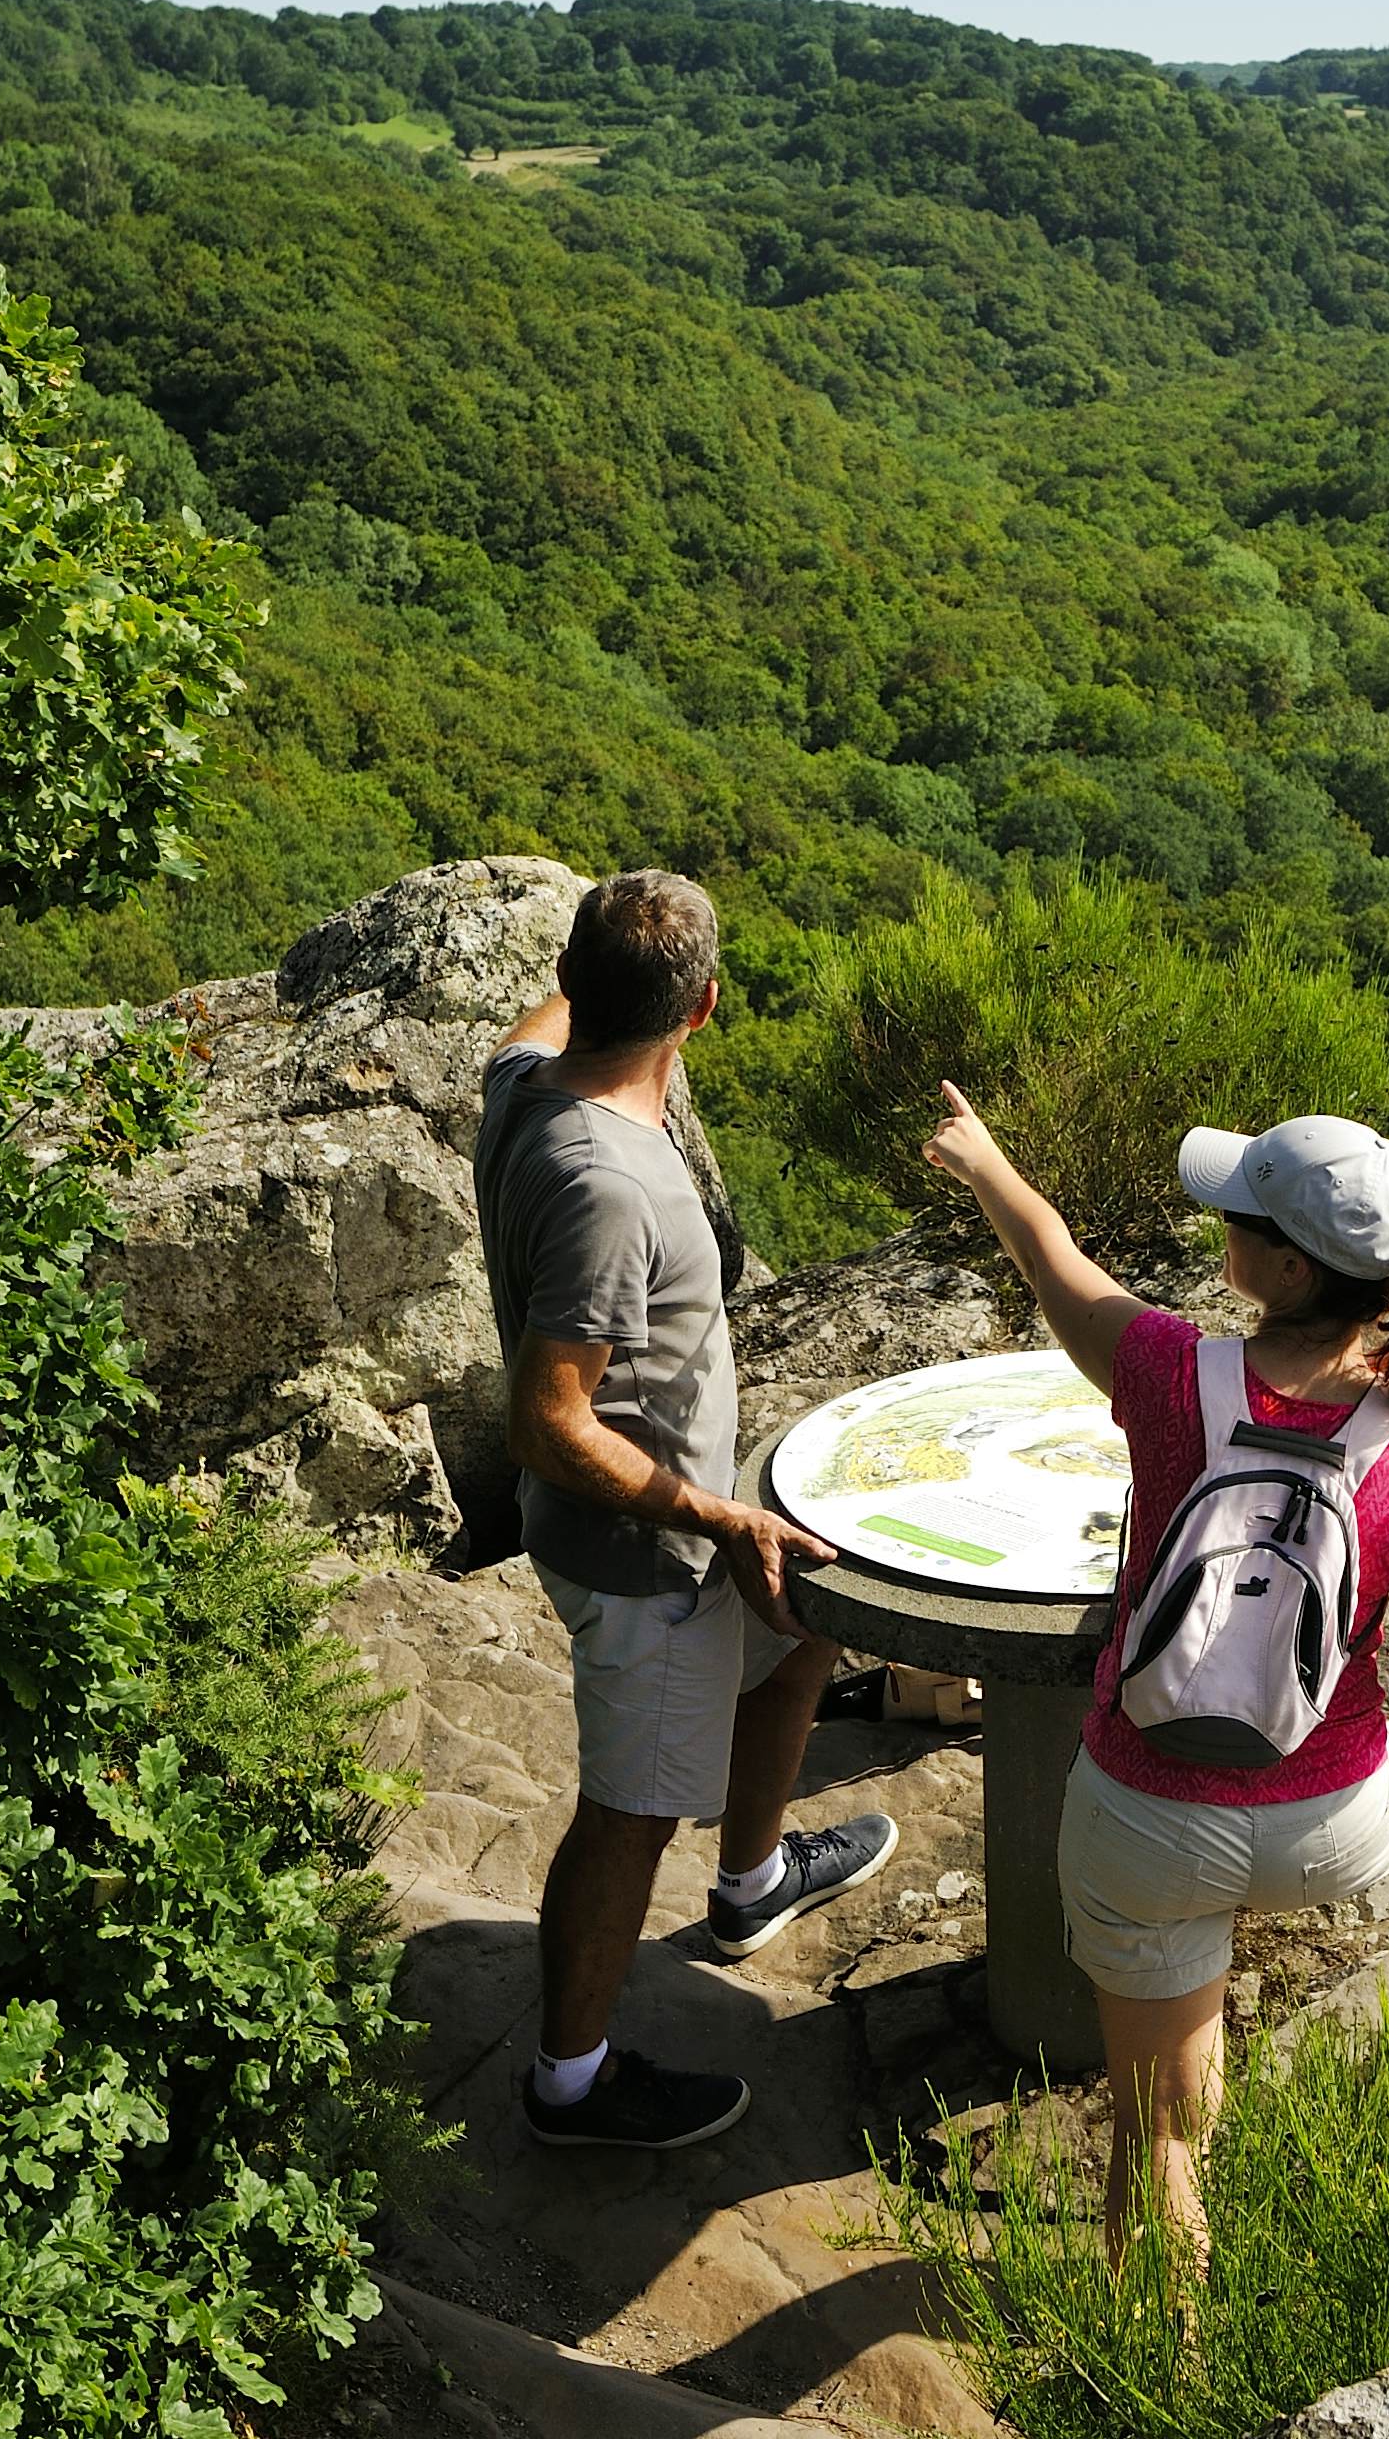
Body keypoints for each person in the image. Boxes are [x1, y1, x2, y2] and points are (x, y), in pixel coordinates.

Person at [922, 1086, 1389, 2266]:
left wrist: (986, 1163)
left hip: (1141, 1818)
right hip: (1327, 1819)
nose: (1223, 1229)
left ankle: (1163, 2366)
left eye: (1238, 1216)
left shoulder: (1163, 1371)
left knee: (1157, 2136)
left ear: (1283, 1273)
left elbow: (1057, 1265)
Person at [479, 870, 898, 2151]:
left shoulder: (519, 1082)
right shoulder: (610, 1187)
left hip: (694, 1523)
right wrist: (720, 1524)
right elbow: (549, 1420)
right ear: (705, 1008)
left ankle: (752, 1885)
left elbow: (536, 1020)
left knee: (800, 1634)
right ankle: (569, 2081)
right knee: (631, 1809)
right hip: (642, 1556)